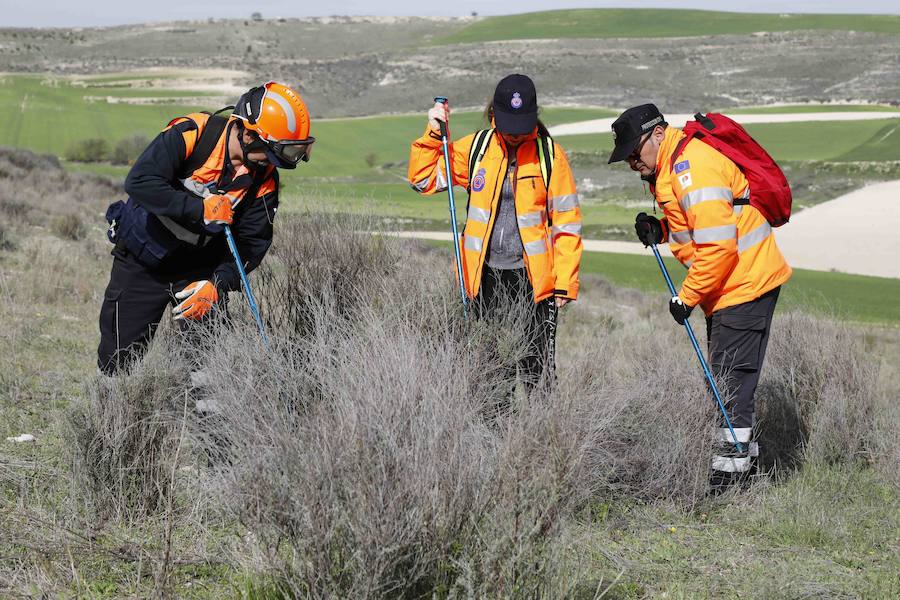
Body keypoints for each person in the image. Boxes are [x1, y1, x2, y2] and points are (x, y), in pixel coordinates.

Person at [608, 103, 792, 487]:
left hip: (743, 285)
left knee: (730, 383)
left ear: (657, 133)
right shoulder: (676, 166)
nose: (630, 160)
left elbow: (719, 246)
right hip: (732, 286)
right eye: (625, 155)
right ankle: (742, 469)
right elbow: (699, 226)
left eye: (633, 150)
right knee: (729, 380)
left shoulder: (691, 167)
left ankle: (731, 481)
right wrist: (660, 230)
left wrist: (686, 298)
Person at [98, 81, 315, 375]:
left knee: (208, 368)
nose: (271, 164)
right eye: (270, 153)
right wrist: (199, 209)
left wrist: (218, 284)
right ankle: (114, 416)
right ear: (248, 133)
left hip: (198, 274)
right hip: (141, 261)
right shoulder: (192, 133)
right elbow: (140, 182)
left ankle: (203, 419)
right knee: (118, 363)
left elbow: (252, 243)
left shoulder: (265, 181)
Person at [407, 74, 583, 398]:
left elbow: (567, 224)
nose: (516, 134)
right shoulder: (476, 149)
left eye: (522, 125)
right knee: (490, 372)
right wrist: (433, 134)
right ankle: (495, 442)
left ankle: (543, 441)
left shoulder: (550, 156)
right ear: (494, 115)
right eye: (509, 125)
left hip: (533, 285)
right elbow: (422, 180)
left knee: (538, 374)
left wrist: (565, 282)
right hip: (484, 281)